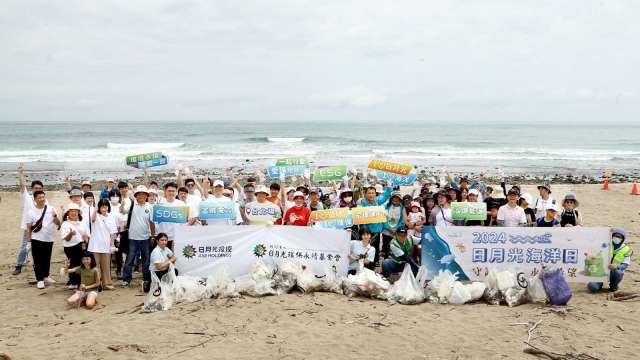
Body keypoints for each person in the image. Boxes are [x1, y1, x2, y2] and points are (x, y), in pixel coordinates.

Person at [13, 163, 45, 275]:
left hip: (40, 228)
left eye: (40, 188)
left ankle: (39, 266)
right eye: (36, 188)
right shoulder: (27, 197)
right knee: (24, 247)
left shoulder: (43, 200)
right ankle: (18, 266)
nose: (38, 190)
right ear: (32, 189)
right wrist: (21, 173)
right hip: (28, 228)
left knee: (39, 248)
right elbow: (22, 186)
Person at [122, 186, 155, 291]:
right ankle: (126, 279)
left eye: (144, 194)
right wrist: (122, 204)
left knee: (146, 260)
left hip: (145, 237)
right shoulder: (132, 205)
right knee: (130, 259)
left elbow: (152, 222)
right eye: (139, 194)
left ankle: (146, 279)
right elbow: (123, 211)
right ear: (136, 196)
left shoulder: (150, 206)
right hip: (132, 237)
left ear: (146, 196)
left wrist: (153, 235)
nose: (142, 196)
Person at [26, 190, 60, 289]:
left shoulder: (51, 208)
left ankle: (46, 276)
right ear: (35, 199)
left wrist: (55, 216)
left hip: (49, 238)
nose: (42, 199)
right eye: (39, 198)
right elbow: (28, 228)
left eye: (43, 197)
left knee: (47, 258)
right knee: (37, 260)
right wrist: (29, 241)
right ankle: (40, 279)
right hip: (37, 238)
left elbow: (58, 223)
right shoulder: (31, 212)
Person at [588, 228, 633, 293]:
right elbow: (597, 252)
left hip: (614, 272)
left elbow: (625, 264)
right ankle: (599, 284)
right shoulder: (606, 244)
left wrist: (617, 267)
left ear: (623, 238)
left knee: (619, 273)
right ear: (612, 236)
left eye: (619, 237)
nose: (617, 238)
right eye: (615, 236)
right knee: (592, 287)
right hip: (601, 270)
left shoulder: (626, 249)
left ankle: (613, 285)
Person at [357, 184, 392, 267]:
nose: (371, 195)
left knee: (375, 246)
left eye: (373, 193)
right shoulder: (362, 203)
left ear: (376, 194)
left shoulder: (378, 201)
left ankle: (375, 261)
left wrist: (389, 186)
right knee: (365, 247)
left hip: (376, 229)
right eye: (369, 193)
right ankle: (364, 262)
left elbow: (386, 195)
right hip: (366, 230)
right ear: (365, 194)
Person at [89, 199, 117, 290]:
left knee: (106, 266)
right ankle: (96, 284)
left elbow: (113, 232)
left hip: (106, 245)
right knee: (95, 266)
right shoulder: (96, 215)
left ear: (108, 207)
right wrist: (95, 210)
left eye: (106, 206)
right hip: (95, 245)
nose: (104, 208)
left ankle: (107, 284)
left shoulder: (111, 217)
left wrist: (112, 244)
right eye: (102, 206)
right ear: (99, 207)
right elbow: (92, 219)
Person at [61, 203, 90, 289]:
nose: (73, 213)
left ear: (78, 212)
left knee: (81, 263)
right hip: (70, 247)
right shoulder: (65, 224)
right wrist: (70, 233)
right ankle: (74, 282)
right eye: (71, 211)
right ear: (68, 213)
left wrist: (87, 242)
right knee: (73, 264)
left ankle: (79, 282)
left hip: (81, 245)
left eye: (75, 211)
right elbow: (66, 239)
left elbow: (88, 235)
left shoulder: (82, 223)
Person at [155, 182, 185, 250]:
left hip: (177, 237)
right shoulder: (160, 204)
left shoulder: (181, 204)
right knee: (163, 258)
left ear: (176, 192)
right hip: (163, 238)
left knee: (175, 258)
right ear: (165, 192)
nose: (171, 193)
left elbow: (184, 222)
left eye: (173, 191)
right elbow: (155, 222)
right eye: (169, 191)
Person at [382, 191, 404, 259]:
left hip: (396, 232)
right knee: (386, 247)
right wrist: (388, 228)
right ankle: (386, 261)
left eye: (397, 198)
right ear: (391, 199)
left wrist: (396, 229)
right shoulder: (386, 206)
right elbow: (383, 218)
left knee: (396, 247)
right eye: (394, 198)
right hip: (386, 231)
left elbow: (402, 220)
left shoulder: (402, 208)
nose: (395, 200)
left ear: (400, 199)